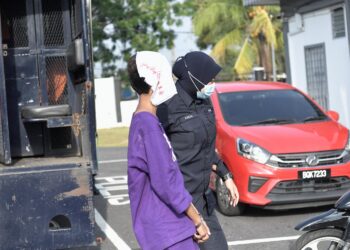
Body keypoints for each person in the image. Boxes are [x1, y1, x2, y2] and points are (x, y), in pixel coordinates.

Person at [127, 51, 210, 250]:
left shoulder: (145, 121)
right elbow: (166, 181)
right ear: (154, 80)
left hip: (166, 230)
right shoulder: (147, 125)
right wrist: (197, 218)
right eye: (166, 76)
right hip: (168, 231)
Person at [157, 51, 240, 250]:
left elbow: (206, 147)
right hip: (179, 203)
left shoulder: (204, 101)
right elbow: (156, 157)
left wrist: (225, 175)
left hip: (203, 199)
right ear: (193, 77)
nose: (212, 84)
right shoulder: (166, 106)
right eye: (209, 79)